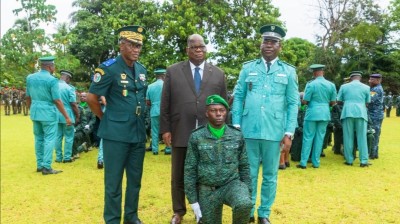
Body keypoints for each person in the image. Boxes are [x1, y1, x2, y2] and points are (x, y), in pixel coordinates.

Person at [231, 24, 299, 224]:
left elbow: (293, 102)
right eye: (265, 41)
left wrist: (289, 132)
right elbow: (239, 96)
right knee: (248, 174)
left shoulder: (288, 71)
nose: (268, 45)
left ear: (280, 46)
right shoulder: (248, 68)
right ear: (260, 44)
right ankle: (248, 210)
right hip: (249, 130)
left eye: (273, 42)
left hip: (274, 132)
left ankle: (264, 213)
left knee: (270, 175)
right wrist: (236, 127)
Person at [160, 34, 227, 224]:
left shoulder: (218, 73)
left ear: (206, 49)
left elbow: (224, 106)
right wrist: (165, 129)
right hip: (181, 130)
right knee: (178, 174)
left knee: (205, 173)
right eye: (194, 47)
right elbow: (165, 103)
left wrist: (223, 131)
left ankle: (203, 212)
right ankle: (179, 211)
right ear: (187, 50)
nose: (199, 50)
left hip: (209, 133)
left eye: (202, 47)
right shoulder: (173, 71)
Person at [87, 25, 147, 224]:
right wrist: (106, 119)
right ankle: (112, 220)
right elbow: (91, 98)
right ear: (121, 45)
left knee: (135, 181)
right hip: (115, 135)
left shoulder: (141, 69)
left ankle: (131, 217)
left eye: (139, 45)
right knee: (113, 183)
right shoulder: (109, 68)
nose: (136, 49)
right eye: (132, 45)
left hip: (137, 133)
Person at [184, 95, 252, 224]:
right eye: (214, 110)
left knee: (244, 204)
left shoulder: (236, 135)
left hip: (231, 185)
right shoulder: (197, 136)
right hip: (207, 189)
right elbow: (190, 169)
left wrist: (247, 192)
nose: (218, 114)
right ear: (207, 113)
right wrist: (193, 200)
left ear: (226, 112)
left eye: (222, 110)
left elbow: (244, 166)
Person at [26, 56, 72, 175]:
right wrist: (66, 116)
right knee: (49, 139)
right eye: (53, 66)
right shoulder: (52, 80)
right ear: (50, 66)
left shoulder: (30, 78)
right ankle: (47, 167)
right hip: (48, 113)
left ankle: (40, 165)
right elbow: (57, 100)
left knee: (38, 138)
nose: (54, 68)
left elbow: (28, 97)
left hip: (35, 111)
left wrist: (30, 109)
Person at [297, 64, 336, 169]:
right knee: (320, 138)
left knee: (308, 137)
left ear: (314, 73)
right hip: (324, 113)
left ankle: (303, 162)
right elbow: (333, 102)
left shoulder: (311, 84)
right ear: (323, 72)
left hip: (312, 113)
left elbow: (305, 101)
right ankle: (316, 162)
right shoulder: (331, 85)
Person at [337, 71, 371, 167]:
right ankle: (363, 161)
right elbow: (367, 102)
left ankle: (349, 160)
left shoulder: (344, 87)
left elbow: (339, 100)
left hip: (348, 112)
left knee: (348, 137)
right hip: (361, 113)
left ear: (351, 78)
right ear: (360, 78)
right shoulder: (366, 87)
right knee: (362, 137)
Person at [54, 70, 80, 163]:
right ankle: (67, 157)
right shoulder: (69, 88)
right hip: (67, 115)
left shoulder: (54, 85)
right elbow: (73, 103)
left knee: (57, 136)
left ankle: (58, 157)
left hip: (56, 114)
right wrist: (77, 115)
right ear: (68, 78)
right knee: (69, 137)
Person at [146, 68, 171, 155]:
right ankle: (168, 148)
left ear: (156, 77)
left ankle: (155, 150)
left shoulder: (150, 86)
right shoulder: (167, 85)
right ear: (164, 76)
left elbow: (147, 101)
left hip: (154, 110)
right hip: (166, 110)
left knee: (155, 131)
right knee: (166, 129)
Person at [367, 73, 384, 159]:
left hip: (375, 115)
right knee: (375, 133)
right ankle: (375, 153)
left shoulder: (376, 89)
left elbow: (369, 100)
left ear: (378, 80)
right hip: (376, 114)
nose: (369, 81)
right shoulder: (374, 88)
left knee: (373, 133)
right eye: (369, 79)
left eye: (372, 80)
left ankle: (372, 154)